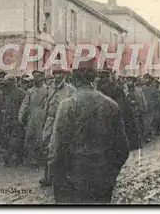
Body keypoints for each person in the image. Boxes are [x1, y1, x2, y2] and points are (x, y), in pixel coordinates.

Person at [48, 58, 129, 204]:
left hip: (73, 181)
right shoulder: (111, 105)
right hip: (102, 180)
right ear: (95, 77)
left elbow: (56, 149)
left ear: (73, 78)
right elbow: (122, 150)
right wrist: (110, 174)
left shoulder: (66, 106)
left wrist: (56, 177)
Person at [40, 69, 75, 187]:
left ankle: (61, 177)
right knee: (46, 147)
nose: (58, 75)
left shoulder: (70, 89)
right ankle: (47, 176)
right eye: (56, 73)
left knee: (61, 147)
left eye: (60, 73)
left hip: (62, 120)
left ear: (64, 75)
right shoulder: (49, 88)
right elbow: (45, 104)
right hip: (49, 120)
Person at [19, 70, 49, 168]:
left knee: (41, 138)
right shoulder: (30, 91)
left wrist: (46, 115)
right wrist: (21, 115)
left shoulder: (48, 90)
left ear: (42, 77)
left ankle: (40, 159)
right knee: (30, 137)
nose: (36, 79)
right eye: (34, 77)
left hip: (42, 116)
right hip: (31, 116)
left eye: (38, 77)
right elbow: (24, 104)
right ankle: (31, 159)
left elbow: (48, 104)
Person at [1, 74, 26, 166]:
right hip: (7, 119)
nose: (8, 85)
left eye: (10, 83)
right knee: (7, 139)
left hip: (17, 120)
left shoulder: (21, 93)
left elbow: (24, 107)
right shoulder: (6, 92)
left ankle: (18, 158)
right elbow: (3, 105)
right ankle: (9, 158)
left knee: (16, 140)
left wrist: (22, 119)